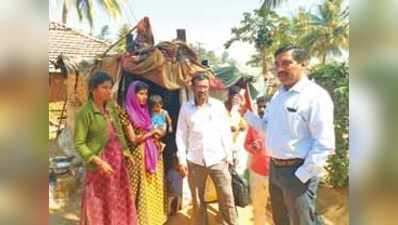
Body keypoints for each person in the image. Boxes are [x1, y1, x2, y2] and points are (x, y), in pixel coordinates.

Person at [240, 45, 335, 225]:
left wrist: (303, 175)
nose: (280, 69)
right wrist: (246, 114)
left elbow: (324, 143)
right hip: (275, 170)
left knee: (302, 222)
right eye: (277, 64)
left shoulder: (315, 96)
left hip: (297, 172)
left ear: (303, 63)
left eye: (286, 63)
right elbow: (267, 129)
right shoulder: (278, 96)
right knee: (281, 220)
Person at [74, 71, 137, 225]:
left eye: (110, 87)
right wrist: (98, 162)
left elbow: (119, 132)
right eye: (104, 88)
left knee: (118, 196)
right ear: (92, 89)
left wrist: (126, 152)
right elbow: (79, 143)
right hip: (100, 166)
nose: (109, 91)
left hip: (117, 162)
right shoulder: (85, 113)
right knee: (100, 200)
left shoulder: (110, 108)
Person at [176, 72, 238, 225]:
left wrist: (228, 156)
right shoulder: (186, 108)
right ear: (192, 87)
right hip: (195, 160)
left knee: (226, 197)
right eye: (199, 87)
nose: (202, 90)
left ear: (208, 88)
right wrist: (182, 160)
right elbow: (181, 134)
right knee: (197, 199)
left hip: (218, 159)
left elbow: (225, 131)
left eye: (205, 87)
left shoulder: (217, 106)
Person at [119, 81, 166, 225]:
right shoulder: (126, 112)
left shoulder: (145, 111)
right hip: (138, 157)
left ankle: (154, 220)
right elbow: (133, 139)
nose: (144, 97)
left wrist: (158, 141)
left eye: (146, 94)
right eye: (140, 94)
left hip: (152, 155)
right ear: (132, 95)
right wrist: (152, 132)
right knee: (139, 190)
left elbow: (152, 131)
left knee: (153, 188)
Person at [243, 96, 271, 225]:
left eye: (265, 106)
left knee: (279, 207)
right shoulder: (254, 125)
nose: (262, 109)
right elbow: (246, 144)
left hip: (275, 174)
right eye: (260, 106)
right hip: (257, 173)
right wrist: (252, 147)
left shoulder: (278, 126)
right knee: (258, 207)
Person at [224, 85, 248, 176]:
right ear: (228, 96)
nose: (235, 99)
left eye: (237, 96)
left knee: (238, 174)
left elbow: (244, 127)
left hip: (237, 147)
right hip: (224, 147)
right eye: (233, 96)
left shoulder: (240, 109)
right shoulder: (221, 109)